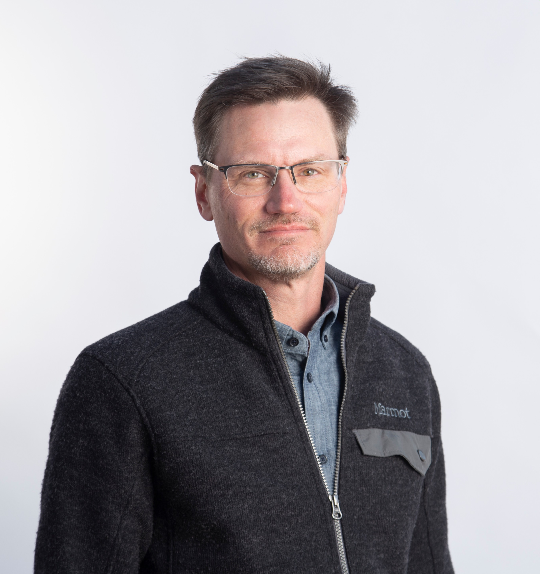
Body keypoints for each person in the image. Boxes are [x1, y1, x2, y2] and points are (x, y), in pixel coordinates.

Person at [35, 56, 453, 574]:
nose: (286, 201)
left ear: (342, 183)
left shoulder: (405, 372)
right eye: (253, 174)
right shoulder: (121, 381)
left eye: (310, 171)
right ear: (204, 192)